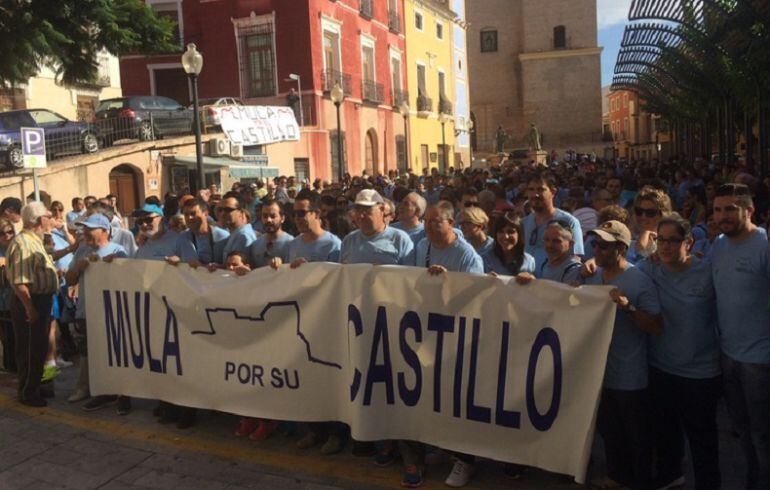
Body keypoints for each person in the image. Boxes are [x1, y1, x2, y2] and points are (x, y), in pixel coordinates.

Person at [636, 216, 721, 490]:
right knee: (666, 432)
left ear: (689, 241)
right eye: (661, 240)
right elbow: (618, 272)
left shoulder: (708, 271)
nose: (666, 246)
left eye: (673, 240)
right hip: (661, 367)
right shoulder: (649, 269)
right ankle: (670, 474)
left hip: (701, 373)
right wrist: (589, 268)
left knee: (703, 440)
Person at [404, 200, 483, 488]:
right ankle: (445, 447)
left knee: (457, 397)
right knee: (433, 394)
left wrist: (446, 284)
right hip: (428, 331)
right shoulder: (422, 247)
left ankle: (466, 460)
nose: (429, 226)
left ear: (451, 224)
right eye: (427, 221)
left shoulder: (466, 255)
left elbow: (476, 295)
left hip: (457, 336)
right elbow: (412, 283)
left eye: (436, 221)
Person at [583, 220, 662, 490]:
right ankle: (617, 477)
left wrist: (628, 308)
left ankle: (640, 482)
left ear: (621, 247)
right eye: (595, 244)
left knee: (636, 436)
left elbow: (655, 325)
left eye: (603, 245)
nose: (597, 250)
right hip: (601, 373)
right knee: (610, 431)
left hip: (630, 375)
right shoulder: (593, 275)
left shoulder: (639, 280)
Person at [711, 183, 770, 489]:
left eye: (731, 208)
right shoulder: (718, 244)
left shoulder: (765, 244)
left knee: (762, 434)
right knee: (742, 431)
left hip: (760, 361)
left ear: (750, 210)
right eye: (718, 209)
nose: (723, 215)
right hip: (728, 356)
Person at [64, 214, 128, 410]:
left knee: (118, 353)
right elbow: (69, 280)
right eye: (84, 229)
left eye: (89, 229)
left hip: (112, 312)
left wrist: (114, 265)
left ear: (104, 231)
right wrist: (78, 268)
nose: (84, 233)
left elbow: (129, 279)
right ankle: (94, 390)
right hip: (86, 311)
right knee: (89, 353)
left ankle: (123, 395)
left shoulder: (119, 250)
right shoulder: (82, 250)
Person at [5, 202, 59, 407]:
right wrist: (30, 307)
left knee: (39, 347)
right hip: (30, 301)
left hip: (40, 301)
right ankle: (28, 391)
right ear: (39, 220)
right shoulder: (23, 244)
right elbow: (20, 281)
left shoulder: (35, 241)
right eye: (48, 215)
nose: (51, 219)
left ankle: (34, 386)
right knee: (30, 349)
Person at [522, 172, 584, 270]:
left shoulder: (569, 221)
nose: (535, 194)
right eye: (531, 189)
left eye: (540, 189)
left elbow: (575, 258)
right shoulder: (524, 222)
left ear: (553, 192)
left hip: (553, 283)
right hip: (526, 282)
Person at [340, 190, 414, 266]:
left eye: (367, 210)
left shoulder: (400, 239)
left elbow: (409, 274)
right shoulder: (349, 240)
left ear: (382, 209)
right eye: (358, 210)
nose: (361, 216)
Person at [180, 199, 229, 266]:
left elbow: (228, 267)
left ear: (205, 214)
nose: (189, 218)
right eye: (186, 214)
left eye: (193, 214)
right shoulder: (183, 237)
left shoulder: (223, 237)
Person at [213, 197, 257, 269]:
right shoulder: (235, 234)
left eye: (228, 210)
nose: (223, 213)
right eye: (220, 210)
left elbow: (239, 271)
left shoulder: (243, 236)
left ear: (241, 212)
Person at [249, 198, 293, 268]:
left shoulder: (291, 244)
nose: (268, 220)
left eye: (273, 216)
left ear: (282, 218)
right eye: (265, 216)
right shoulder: (256, 245)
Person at [0, 218, 16, 372]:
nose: (7, 236)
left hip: (18, 299)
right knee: (8, 339)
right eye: (2, 233)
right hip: (3, 303)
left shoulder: (16, 249)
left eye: (10, 232)